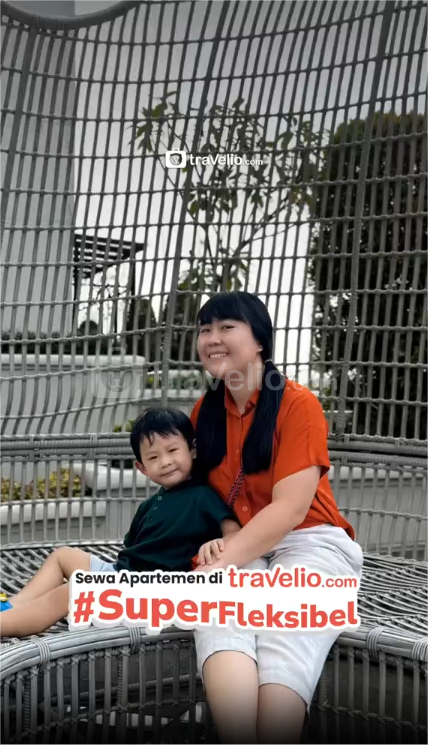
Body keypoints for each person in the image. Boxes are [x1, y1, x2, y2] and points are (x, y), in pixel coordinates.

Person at [189, 290, 363, 744]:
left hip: (310, 540)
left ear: (260, 341)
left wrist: (223, 562)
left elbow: (290, 510)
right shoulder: (204, 412)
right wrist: (219, 546)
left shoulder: (297, 403)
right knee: (218, 607)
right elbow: (196, 496)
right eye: (205, 329)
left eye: (227, 327)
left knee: (288, 622)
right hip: (240, 540)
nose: (212, 338)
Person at [0, 408, 240, 637]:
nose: (165, 461)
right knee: (63, 556)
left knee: (72, 592)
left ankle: (4, 623)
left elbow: (234, 534)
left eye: (173, 450)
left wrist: (216, 543)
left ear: (192, 450)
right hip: (121, 577)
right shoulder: (150, 505)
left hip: (149, 593)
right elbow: (129, 551)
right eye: (153, 457)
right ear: (142, 468)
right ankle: (12, 606)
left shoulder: (202, 496)